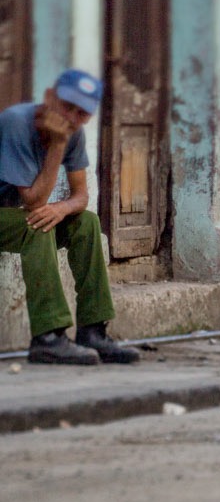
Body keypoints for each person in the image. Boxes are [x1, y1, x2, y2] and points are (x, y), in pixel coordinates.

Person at [0, 70, 139, 365]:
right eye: (67, 106)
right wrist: (58, 146)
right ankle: (48, 338)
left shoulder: (74, 132)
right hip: (10, 217)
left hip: (9, 217)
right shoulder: (17, 122)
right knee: (36, 225)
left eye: (82, 113)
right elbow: (34, 201)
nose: (72, 117)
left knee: (85, 223)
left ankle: (93, 332)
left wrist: (61, 208)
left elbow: (81, 196)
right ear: (50, 96)